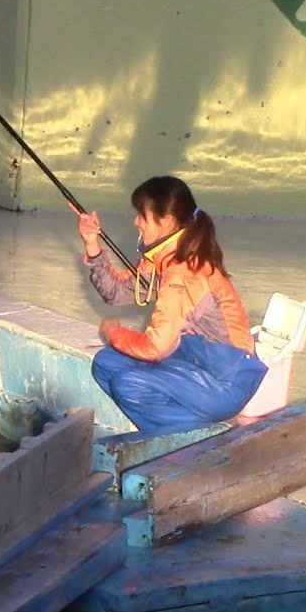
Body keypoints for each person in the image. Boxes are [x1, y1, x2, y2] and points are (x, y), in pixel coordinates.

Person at [71, 176, 267, 434]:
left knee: (129, 384)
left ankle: (193, 437)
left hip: (224, 383)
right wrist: (92, 244)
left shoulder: (184, 272)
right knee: (106, 363)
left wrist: (113, 332)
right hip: (192, 367)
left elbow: (155, 348)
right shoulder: (164, 259)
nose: (136, 221)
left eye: (141, 215)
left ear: (166, 221)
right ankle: (174, 431)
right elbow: (116, 292)